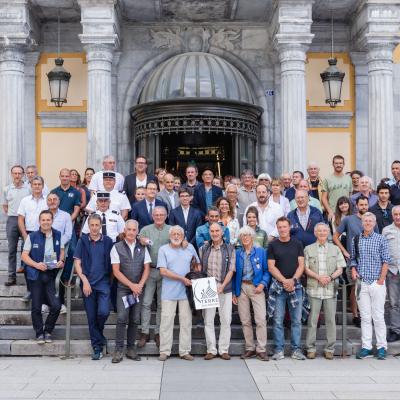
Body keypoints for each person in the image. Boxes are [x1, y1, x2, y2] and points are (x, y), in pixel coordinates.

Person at [333, 195, 378, 327]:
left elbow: (377, 238)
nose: (363, 207)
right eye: (361, 205)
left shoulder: (371, 220)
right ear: (356, 205)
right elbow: (336, 237)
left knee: (369, 288)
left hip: (370, 261)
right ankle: (355, 316)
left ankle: (368, 315)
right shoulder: (348, 219)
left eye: (365, 205)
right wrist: (344, 251)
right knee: (355, 287)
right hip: (353, 260)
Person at [350, 213, 390, 360]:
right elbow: (353, 259)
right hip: (362, 283)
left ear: (374, 223)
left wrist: (381, 280)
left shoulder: (381, 239)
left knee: (378, 316)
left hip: (376, 282)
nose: (367, 223)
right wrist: (354, 270)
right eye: (365, 221)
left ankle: (381, 347)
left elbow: (386, 261)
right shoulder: (356, 239)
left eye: (370, 221)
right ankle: (366, 347)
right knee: (365, 317)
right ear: (362, 223)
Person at [74, 213, 114, 360]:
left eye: (97, 225)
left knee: (103, 312)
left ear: (101, 226)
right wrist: (84, 280)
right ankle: (97, 347)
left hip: (103, 283)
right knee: (91, 317)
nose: (95, 228)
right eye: (92, 225)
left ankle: (99, 335)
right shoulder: (82, 241)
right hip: (88, 283)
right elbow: (77, 262)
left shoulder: (108, 241)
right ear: (88, 226)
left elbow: (113, 263)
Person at [110, 220, 151, 363]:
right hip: (124, 289)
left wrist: (139, 285)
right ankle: (118, 350)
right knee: (122, 318)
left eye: (134, 230)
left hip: (138, 289)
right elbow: (116, 271)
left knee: (134, 319)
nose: (131, 232)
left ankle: (131, 349)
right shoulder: (117, 247)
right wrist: (131, 286)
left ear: (137, 231)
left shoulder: (143, 247)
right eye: (129, 229)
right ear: (124, 230)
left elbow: (147, 268)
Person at [21, 210, 64, 344]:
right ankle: (39, 333)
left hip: (50, 275)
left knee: (56, 306)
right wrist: (36, 264)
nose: (46, 222)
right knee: (36, 307)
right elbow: (24, 256)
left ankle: (48, 331)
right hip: (36, 275)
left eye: (48, 220)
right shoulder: (32, 236)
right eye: (43, 220)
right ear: (39, 222)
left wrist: (61, 261)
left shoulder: (57, 234)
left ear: (52, 221)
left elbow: (62, 252)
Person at [157, 226, 200, 361]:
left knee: (186, 322)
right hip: (169, 293)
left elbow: (198, 265)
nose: (176, 236)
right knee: (166, 322)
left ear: (183, 236)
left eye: (179, 234)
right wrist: (182, 279)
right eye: (174, 234)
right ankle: (164, 351)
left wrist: (195, 275)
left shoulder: (190, 247)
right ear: (170, 236)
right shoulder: (163, 249)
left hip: (186, 293)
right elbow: (163, 271)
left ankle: (185, 351)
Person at [304, 223, 345, 359]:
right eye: (319, 231)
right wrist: (318, 277)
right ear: (315, 233)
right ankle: (310, 348)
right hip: (314, 289)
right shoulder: (308, 249)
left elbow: (340, 268)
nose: (322, 233)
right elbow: (305, 268)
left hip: (330, 289)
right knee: (312, 320)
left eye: (324, 231)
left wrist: (330, 277)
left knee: (330, 320)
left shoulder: (335, 249)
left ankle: (330, 349)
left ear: (328, 233)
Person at [267, 216, 305, 361]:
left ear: (289, 228)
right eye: (280, 227)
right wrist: (284, 281)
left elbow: (301, 264)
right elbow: (271, 267)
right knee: (277, 320)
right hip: (278, 287)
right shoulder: (273, 245)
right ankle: (279, 350)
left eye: (284, 226)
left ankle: (296, 350)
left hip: (296, 286)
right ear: (277, 228)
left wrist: (293, 280)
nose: (282, 229)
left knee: (296, 320)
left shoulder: (297, 244)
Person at [233, 226, 270, 361]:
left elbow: (267, 270)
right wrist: (234, 292)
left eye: (248, 235)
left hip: (256, 287)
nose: (245, 238)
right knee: (245, 320)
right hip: (242, 287)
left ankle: (261, 349)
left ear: (252, 237)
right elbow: (234, 273)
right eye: (243, 236)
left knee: (260, 319)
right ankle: (250, 348)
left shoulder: (260, 252)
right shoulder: (238, 253)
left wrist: (262, 284)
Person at [199, 222, 236, 360]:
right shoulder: (203, 248)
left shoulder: (230, 249)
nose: (214, 233)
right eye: (212, 231)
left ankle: (223, 349)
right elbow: (201, 268)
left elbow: (231, 269)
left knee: (226, 319)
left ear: (222, 232)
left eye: (217, 231)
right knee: (208, 320)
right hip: (208, 287)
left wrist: (222, 285)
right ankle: (211, 349)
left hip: (224, 288)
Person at [137, 206, 171, 348]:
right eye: (156, 214)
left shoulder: (171, 229)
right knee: (146, 302)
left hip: (165, 271)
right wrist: (140, 240)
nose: (159, 217)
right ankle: (144, 332)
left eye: (161, 214)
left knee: (162, 304)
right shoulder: (145, 229)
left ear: (166, 215)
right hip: (149, 271)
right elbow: (137, 242)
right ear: (152, 215)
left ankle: (158, 332)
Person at [17, 176, 48, 301]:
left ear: (42, 186)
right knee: (27, 264)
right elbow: (20, 219)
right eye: (34, 184)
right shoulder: (25, 201)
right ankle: (30, 291)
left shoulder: (48, 200)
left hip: (44, 234)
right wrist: (25, 235)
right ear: (31, 186)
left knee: (43, 262)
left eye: (39, 184)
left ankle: (44, 292)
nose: (37, 186)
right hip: (29, 234)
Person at [2, 165, 30, 286]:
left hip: (26, 220)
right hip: (12, 220)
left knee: (28, 249)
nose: (17, 176)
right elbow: (5, 205)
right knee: (12, 250)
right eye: (15, 173)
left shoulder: (28, 188)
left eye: (19, 173)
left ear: (23, 174)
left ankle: (29, 278)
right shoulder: (6, 189)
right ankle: (11, 277)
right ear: (11, 174)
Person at [382, 206, 400, 343]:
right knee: (393, 303)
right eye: (395, 214)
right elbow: (383, 251)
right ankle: (395, 330)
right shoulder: (386, 230)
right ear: (392, 215)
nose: (398, 216)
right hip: (393, 271)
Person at [321, 155, 352, 221]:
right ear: (333, 164)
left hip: (346, 213)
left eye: (340, 163)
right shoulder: (327, 179)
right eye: (336, 163)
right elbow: (324, 198)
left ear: (343, 164)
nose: (338, 165)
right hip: (333, 213)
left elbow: (350, 196)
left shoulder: (348, 178)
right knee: (335, 231)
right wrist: (329, 211)